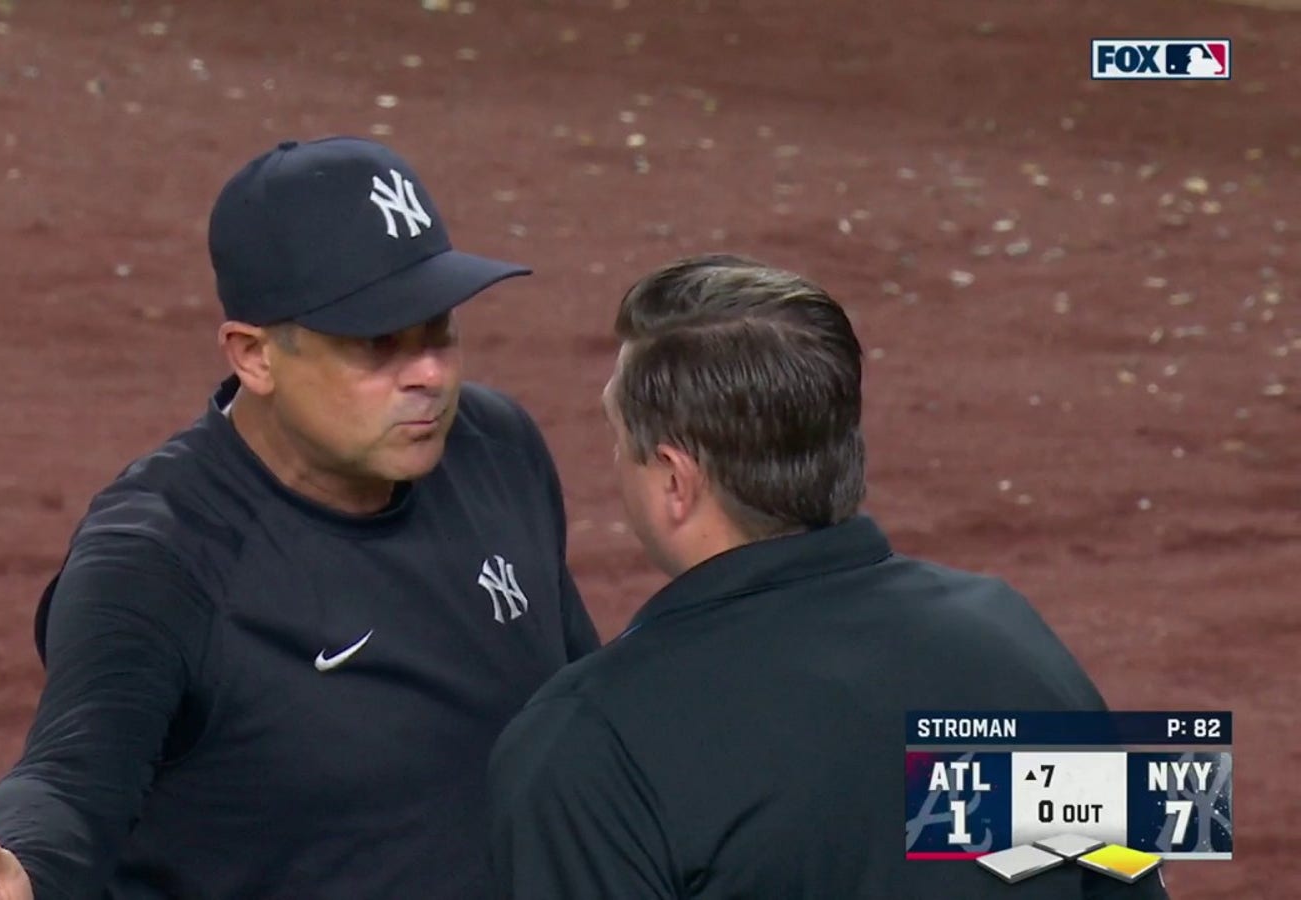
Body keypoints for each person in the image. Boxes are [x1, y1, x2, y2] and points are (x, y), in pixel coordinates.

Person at [0, 136, 601, 899]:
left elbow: (579, 712)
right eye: (378, 342)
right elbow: (69, 776)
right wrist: (25, 872)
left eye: (439, 331)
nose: (428, 374)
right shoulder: (160, 556)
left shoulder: (497, 448)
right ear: (254, 355)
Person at [485, 254, 1171, 899]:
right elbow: (1123, 883)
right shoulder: (1013, 643)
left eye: (615, 435)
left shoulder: (591, 750)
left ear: (674, 480)